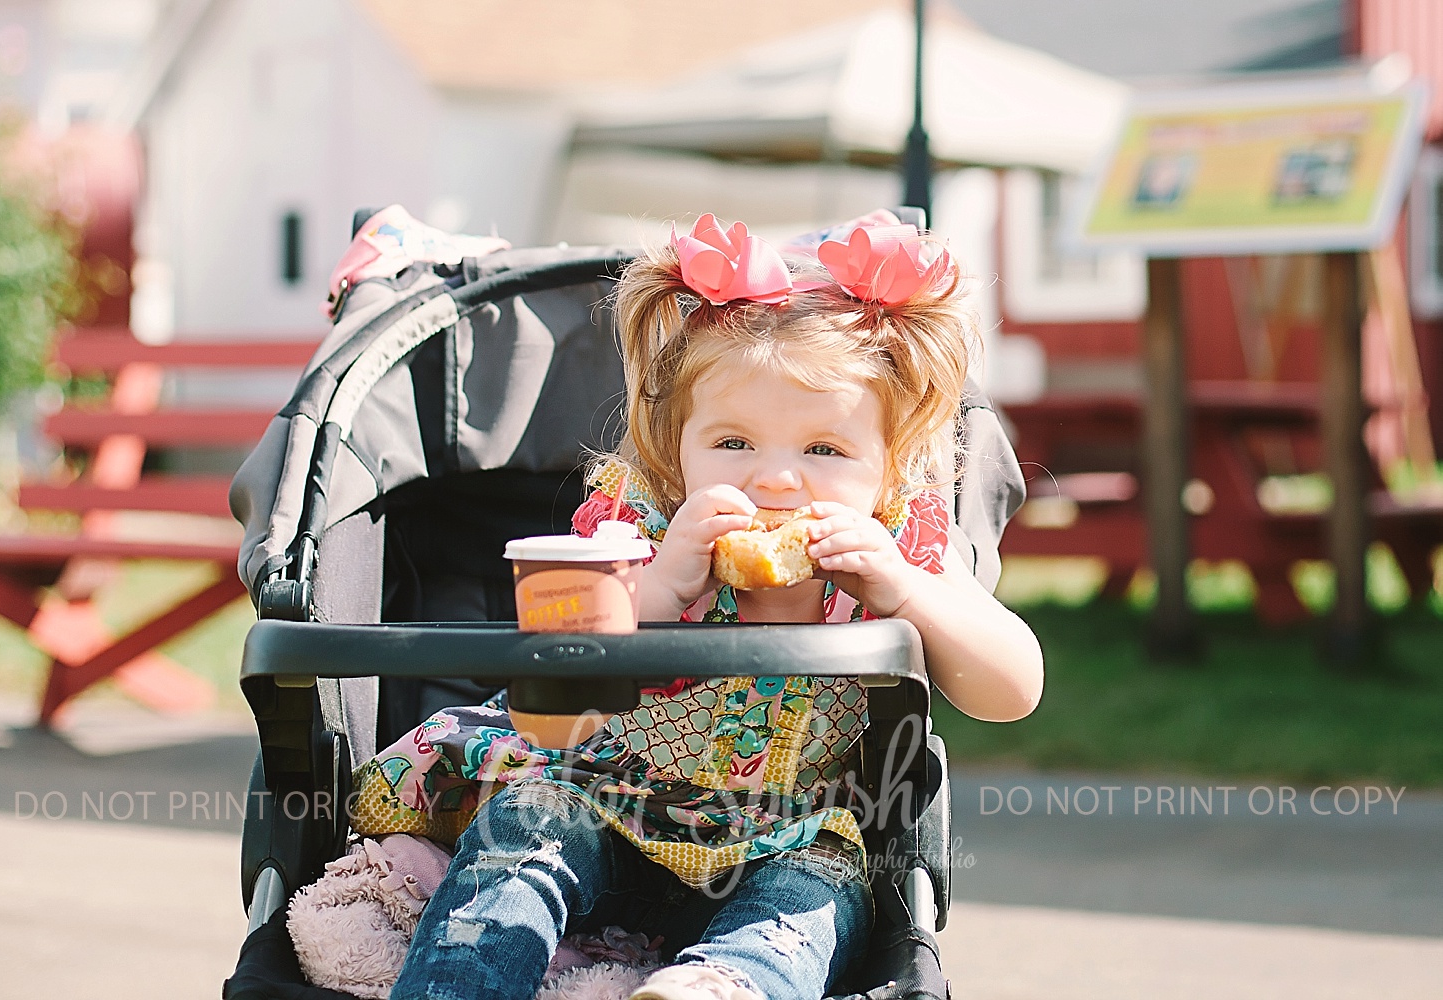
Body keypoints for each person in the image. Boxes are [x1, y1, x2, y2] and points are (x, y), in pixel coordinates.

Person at [360, 213, 1044, 1000]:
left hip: (793, 833)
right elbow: (550, 688)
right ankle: (458, 985)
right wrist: (655, 591)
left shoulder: (901, 546)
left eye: (824, 451)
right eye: (733, 443)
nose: (776, 480)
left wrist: (907, 593)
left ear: (889, 466)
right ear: (673, 446)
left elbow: (1015, 688)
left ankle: (723, 984)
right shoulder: (638, 533)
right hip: (607, 803)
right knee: (523, 829)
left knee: (810, 899)